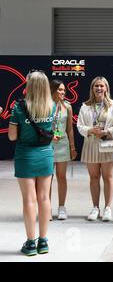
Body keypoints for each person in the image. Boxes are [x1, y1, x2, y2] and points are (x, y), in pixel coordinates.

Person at [9, 71, 55, 256]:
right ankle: (43, 242)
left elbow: (12, 136)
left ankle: (30, 243)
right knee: (44, 198)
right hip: (46, 155)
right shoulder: (52, 106)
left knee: (29, 199)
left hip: (25, 156)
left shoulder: (19, 108)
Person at [77, 77, 113, 222]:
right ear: (92, 88)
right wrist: (91, 130)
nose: (99, 88)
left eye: (101, 86)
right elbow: (79, 126)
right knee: (94, 177)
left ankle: (107, 208)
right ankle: (95, 207)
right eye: (96, 86)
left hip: (107, 142)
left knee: (108, 177)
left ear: (106, 88)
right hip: (91, 144)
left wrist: (105, 132)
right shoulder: (85, 106)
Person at [50, 80, 77, 220]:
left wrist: (72, 147)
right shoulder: (45, 106)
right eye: (60, 90)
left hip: (62, 145)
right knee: (47, 178)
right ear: (52, 90)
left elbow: (70, 129)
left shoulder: (67, 106)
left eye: (64, 90)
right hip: (48, 145)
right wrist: (49, 136)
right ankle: (46, 208)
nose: (62, 92)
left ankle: (62, 207)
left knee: (62, 177)